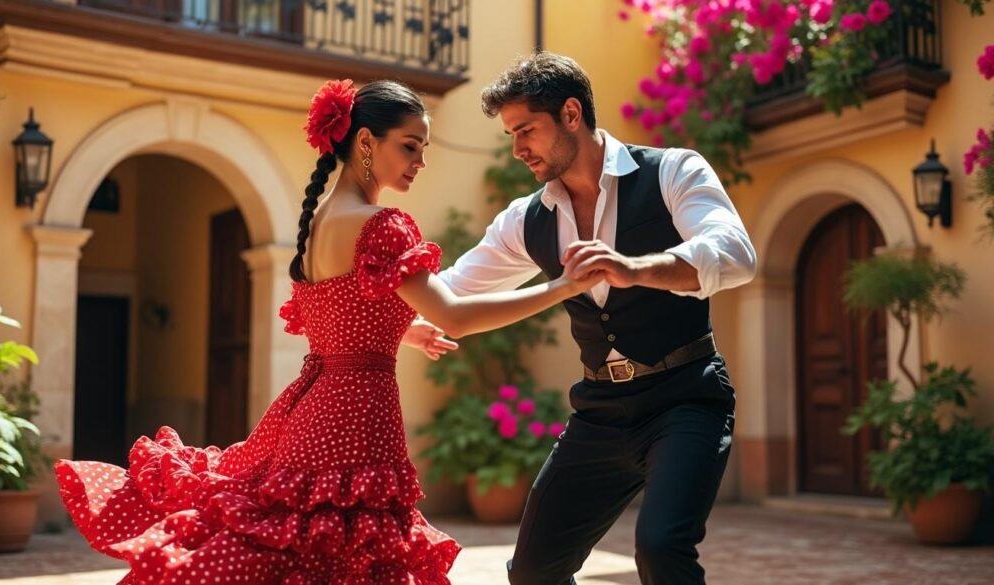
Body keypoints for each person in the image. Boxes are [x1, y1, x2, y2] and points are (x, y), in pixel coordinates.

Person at [55, 78, 601, 585]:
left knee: (306, 553)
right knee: (342, 557)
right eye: (410, 146)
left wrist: (402, 332)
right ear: (366, 141)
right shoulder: (379, 224)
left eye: (424, 148)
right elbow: (454, 313)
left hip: (313, 410)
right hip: (354, 419)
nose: (421, 161)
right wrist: (562, 287)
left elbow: (339, 314)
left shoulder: (318, 223)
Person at [430, 51, 757, 584]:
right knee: (533, 571)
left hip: (686, 399)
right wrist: (413, 316)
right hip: (600, 410)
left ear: (572, 114)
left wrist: (636, 269)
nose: (518, 150)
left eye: (527, 131)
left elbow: (735, 252)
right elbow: (454, 286)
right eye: (511, 135)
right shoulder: (526, 218)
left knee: (660, 550)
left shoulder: (674, 170)